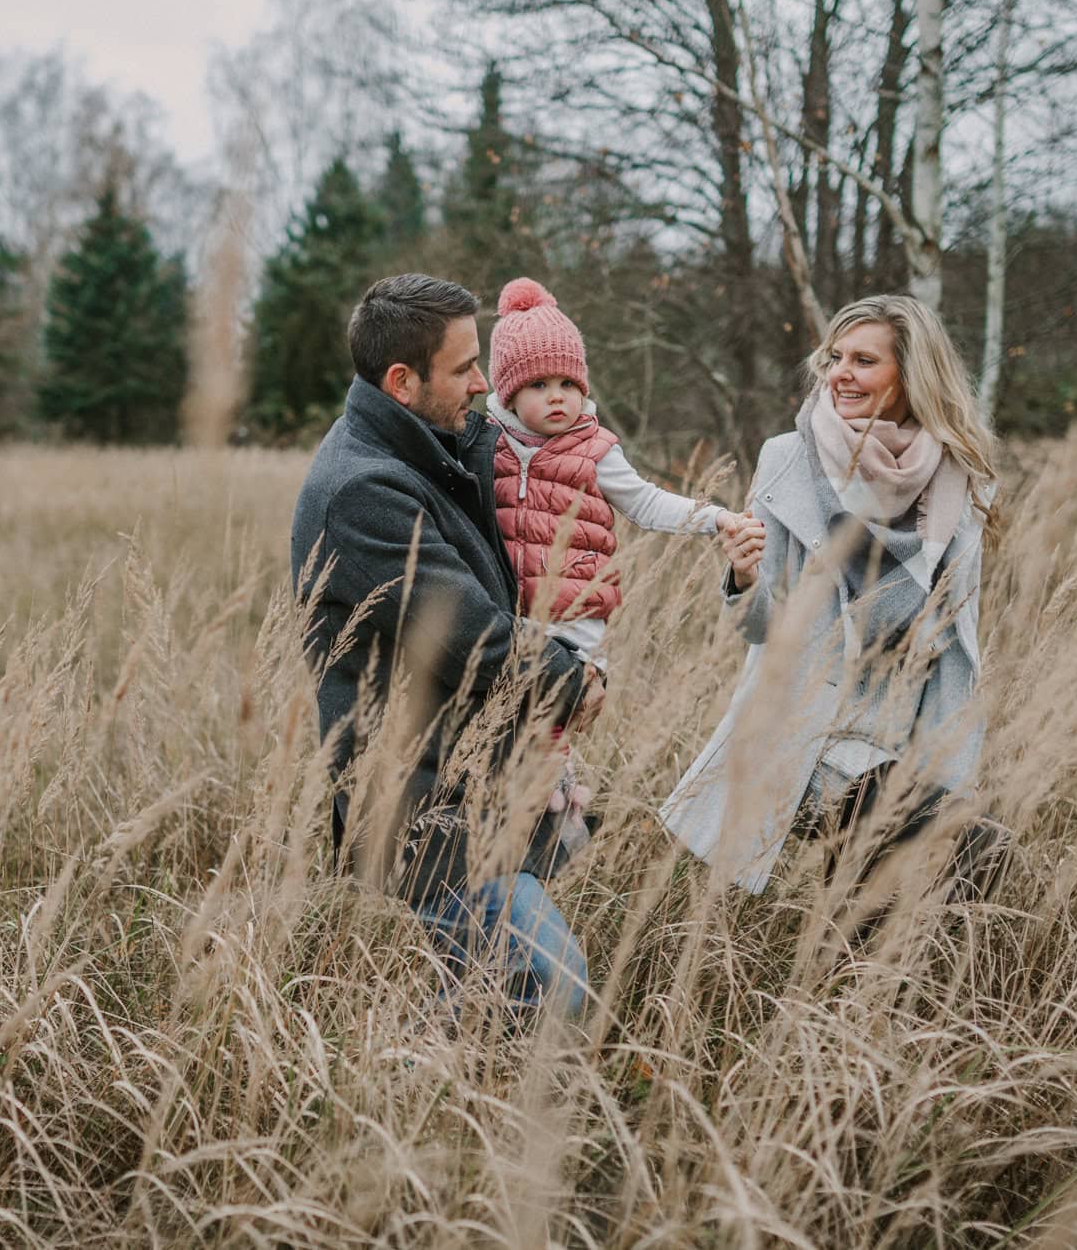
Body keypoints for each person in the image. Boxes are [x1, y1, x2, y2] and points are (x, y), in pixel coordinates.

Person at [290, 272, 606, 1021]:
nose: (484, 382)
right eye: (465, 367)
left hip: (481, 784)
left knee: (482, 1000)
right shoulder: (365, 491)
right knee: (555, 985)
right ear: (402, 381)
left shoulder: (436, 446)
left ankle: (430, 1078)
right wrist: (572, 680)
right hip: (425, 810)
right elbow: (474, 636)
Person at [658, 293, 1009, 906]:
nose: (840, 374)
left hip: (900, 730)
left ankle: (858, 968)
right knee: (938, 835)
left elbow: (958, 640)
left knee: (958, 859)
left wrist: (949, 765)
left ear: (912, 374)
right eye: (835, 357)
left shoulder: (958, 477)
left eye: (864, 361)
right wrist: (743, 579)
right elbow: (761, 628)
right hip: (805, 729)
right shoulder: (789, 459)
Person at [483, 277, 750, 856]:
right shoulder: (488, 446)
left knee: (550, 721)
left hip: (575, 619)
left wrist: (714, 518)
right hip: (511, 617)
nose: (557, 397)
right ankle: (550, 817)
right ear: (508, 392)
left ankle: (561, 822)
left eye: (567, 384)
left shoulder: (595, 450)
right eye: (538, 385)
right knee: (511, 729)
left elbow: (648, 503)